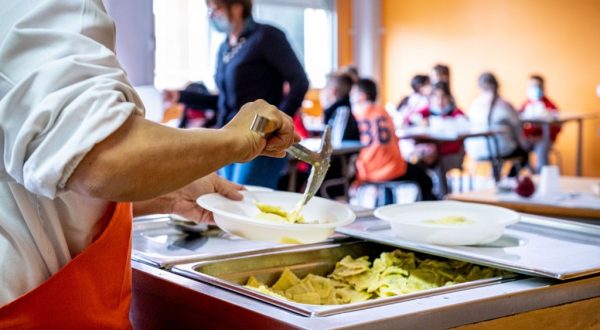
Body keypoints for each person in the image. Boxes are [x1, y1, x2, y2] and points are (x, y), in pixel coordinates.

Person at [0, 1, 298, 328]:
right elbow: (103, 157)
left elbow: (47, 164)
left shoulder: (267, 38)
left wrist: (170, 194)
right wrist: (235, 140)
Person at [164, 0, 309, 189]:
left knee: (246, 203)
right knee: (230, 203)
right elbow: (224, 102)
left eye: (216, 8)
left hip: (259, 139)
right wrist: (180, 96)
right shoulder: (224, 49)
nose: (212, 14)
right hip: (228, 138)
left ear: (237, 7)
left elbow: (299, 81)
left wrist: (274, 126)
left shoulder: (266, 36)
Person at [350, 79, 437, 201]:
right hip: (394, 168)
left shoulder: (354, 114)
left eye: (353, 93)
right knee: (426, 180)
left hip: (368, 171)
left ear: (362, 96)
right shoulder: (384, 112)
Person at [465, 73, 529, 177]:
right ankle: (510, 179)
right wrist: (524, 144)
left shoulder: (473, 104)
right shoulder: (505, 105)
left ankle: (498, 177)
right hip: (500, 150)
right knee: (524, 153)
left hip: (475, 152)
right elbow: (517, 128)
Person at [519, 74, 561, 171]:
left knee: (541, 151)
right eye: (530, 86)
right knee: (519, 148)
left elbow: (557, 126)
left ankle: (542, 175)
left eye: (536, 86)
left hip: (545, 139)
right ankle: (529, 173)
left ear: (542, 87)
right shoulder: (525, 105)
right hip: (529, 139)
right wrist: (529, 136)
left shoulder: (550, 106)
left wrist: (544, 136)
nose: (533, 88)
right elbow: (519, 123)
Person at [320, 73, 360, 143]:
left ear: (333, 91)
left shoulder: (342, 111)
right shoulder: (335, 111)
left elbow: (336, 145)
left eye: (325, 89)